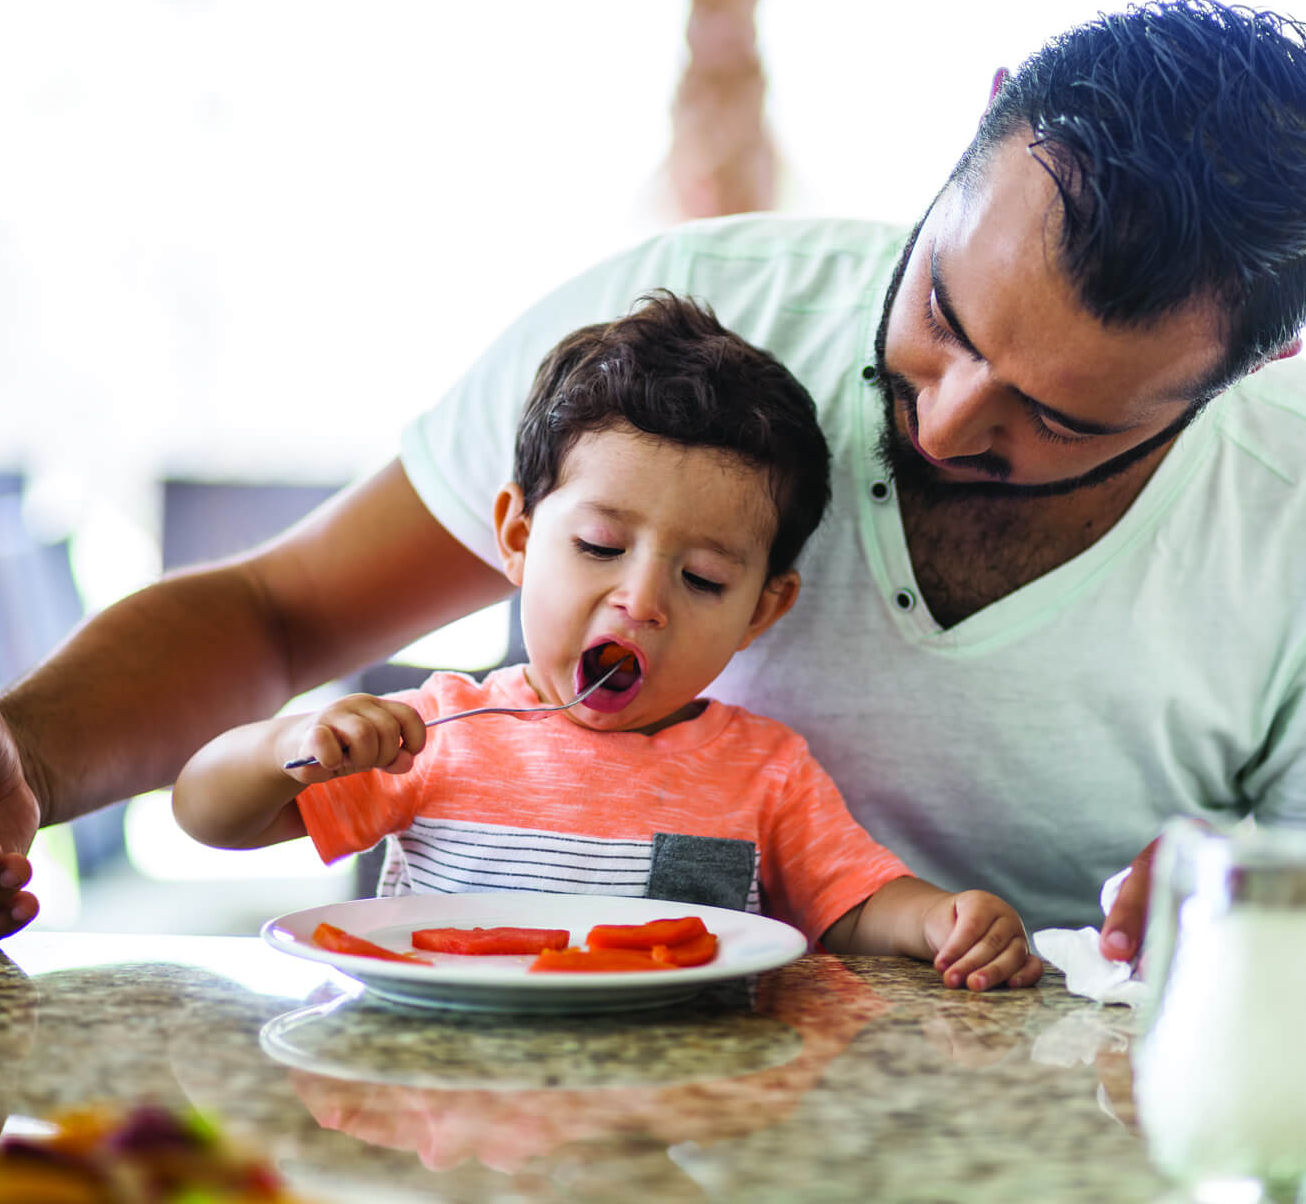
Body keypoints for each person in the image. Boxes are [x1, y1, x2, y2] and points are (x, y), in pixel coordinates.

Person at [0, 0, 1306, 970]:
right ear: (980, 125)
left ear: (1249, 374)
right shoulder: (692, 324)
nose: (949, 409)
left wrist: (1252, 928)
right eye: (942, 315)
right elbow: (282, 618)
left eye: (1055, 418)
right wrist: (30, 760)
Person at [169, 293, 1043, 991]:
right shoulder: (432, 734)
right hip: (440, 1098)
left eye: (702, 579)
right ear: (515, 536)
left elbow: (855, 904)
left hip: (670, 1113)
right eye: (598, 547)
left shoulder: (764, 771)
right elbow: (208, 816)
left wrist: (941, 921)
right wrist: (289, 746)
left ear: (762, 611)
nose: (642, 601)